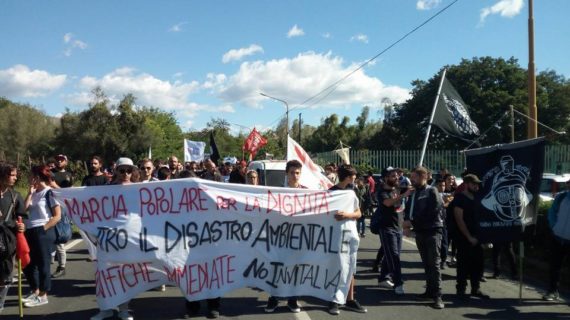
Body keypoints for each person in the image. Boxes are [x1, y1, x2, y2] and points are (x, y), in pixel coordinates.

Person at [91, 157, 136, 320]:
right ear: (115, 170)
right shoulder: (105, 189)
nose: (126, 174)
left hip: (129, 240)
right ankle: (105, 308)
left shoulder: (139, 189)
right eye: (122, 170)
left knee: (125, 275)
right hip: (107, 239)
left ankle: (124, 309)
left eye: (129, 170)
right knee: (104, 275)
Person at [327, 164, 367, 315]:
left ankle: (350, 299)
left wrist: (347, 216)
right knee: (337, 266)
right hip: (335, 235)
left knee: (351, 266)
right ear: (348, 177)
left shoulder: (352, 191)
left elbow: (358, 213)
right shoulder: (331, 192)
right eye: (353, 176)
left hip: (350, 235)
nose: (355, 179)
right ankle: (333, 299)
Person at [403, 167, 445, 309]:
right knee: (426, 263)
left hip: (433, 230)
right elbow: (409, 210)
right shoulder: (414, 193)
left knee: (434, 263)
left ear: (423, 177)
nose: (412, 179)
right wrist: (407, 223)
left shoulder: (432, 191)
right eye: (411, 177)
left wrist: (413, 222)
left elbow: (435, 210)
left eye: (414, 177)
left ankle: (438, 296)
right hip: (420, 232)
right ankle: (429, 291)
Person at [265, 160, 304, 314]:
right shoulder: (277, 192)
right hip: (279, 238)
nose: (295, 176)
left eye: (297, 173)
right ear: (286, 173)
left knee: (295, 269)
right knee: (277, 268)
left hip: (300, 238)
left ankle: (292, 299)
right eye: (292, 172)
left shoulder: (307, 193)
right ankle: (274, 297)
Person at [21, 165, 61, 308]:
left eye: (30, 176)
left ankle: (43, 295)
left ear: (37, 177)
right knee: (29, 264)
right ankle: (35, 290)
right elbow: (23, 210)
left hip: (43, 230)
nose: (28, 178)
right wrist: (29, 193)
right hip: (29, 230)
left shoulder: (49, 193)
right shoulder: (33, 192)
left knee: (43, 264)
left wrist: (42, 229)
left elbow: (57, 216)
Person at [451, 174, 490, 299]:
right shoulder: (459, 198)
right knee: (463, 264)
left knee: (478, 264)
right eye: (473, 183)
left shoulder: (478, 198)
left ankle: (475, 288)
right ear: (466, 184)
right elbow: (459, 219)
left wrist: (484, 237)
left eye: (477, 184)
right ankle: (461, 289)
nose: (476, 186)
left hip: (478, 237)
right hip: (463, 238)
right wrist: (469, 237)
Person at [377, 167, 412, 295]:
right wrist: (403, 195)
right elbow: (387, 203)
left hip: (398, 227)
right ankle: (398, 283)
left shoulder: (397, 189)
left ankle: (383, 278)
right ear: (386, 178)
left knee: (390, 255)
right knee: (394, 256)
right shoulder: (382, 192)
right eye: (393, 176)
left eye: (397, 175)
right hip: (387, 228)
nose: (396, 177)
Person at [0, 164, 26, 312]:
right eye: (12, 175)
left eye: (16, 175)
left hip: (8, 243)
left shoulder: (15, 196)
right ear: (3, 175)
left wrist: (23, 226)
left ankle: (0, 305)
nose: (15, 178)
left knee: (5, 276)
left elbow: (22, 218)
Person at [543, 178, 570, 302]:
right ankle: (552, 291)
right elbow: (552, 213)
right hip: (558, 237)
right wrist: (554, 226)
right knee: (554, 267)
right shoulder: (561, 197)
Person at [81, 156, 107, 261]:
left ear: (100, 165)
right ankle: (94, 254)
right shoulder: (86, 179)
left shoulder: (105, 178)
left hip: (103, 211)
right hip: (90, 210)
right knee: (90, 233)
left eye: (95, 163)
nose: (93, 165)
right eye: (91, 164)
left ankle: (104, 253)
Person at [51, 154, 73, 278]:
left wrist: (56, 187)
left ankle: (62, 266)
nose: (59, 162)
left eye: (61, 160)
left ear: (66, 161)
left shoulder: (68, 175)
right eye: (57, 160)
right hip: (49, 206)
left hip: (62, 208)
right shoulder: (51, 173)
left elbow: (68, 192)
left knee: (60, 237)